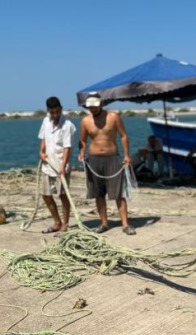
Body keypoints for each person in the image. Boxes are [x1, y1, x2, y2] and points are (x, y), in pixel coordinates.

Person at [78, 93, 136, 235]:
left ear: (102, 104)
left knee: (118, 193)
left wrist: (127, 155)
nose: (93, 109)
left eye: (96, 107)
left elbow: (123, 136)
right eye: (91, 107)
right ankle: (104, 223)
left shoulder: (113, 117)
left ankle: (125, 224)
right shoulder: (85, 121)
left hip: (113, 158)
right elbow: (83, 140)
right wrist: (81, 153)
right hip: (94, 159)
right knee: (98, 193)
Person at [38, 96, 76, 234]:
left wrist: (63, 166)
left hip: (61, 165)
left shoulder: (68, 125)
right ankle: (56, 222)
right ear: (48, 111)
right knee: (46, 195)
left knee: (63, 195)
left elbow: (67, 147)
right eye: (52, 112)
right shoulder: (45, 121)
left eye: (57, 112)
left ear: (61, 109)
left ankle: (65, 224)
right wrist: (41, 152)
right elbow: (44, 138)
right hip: (47, 165)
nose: (55, 115)